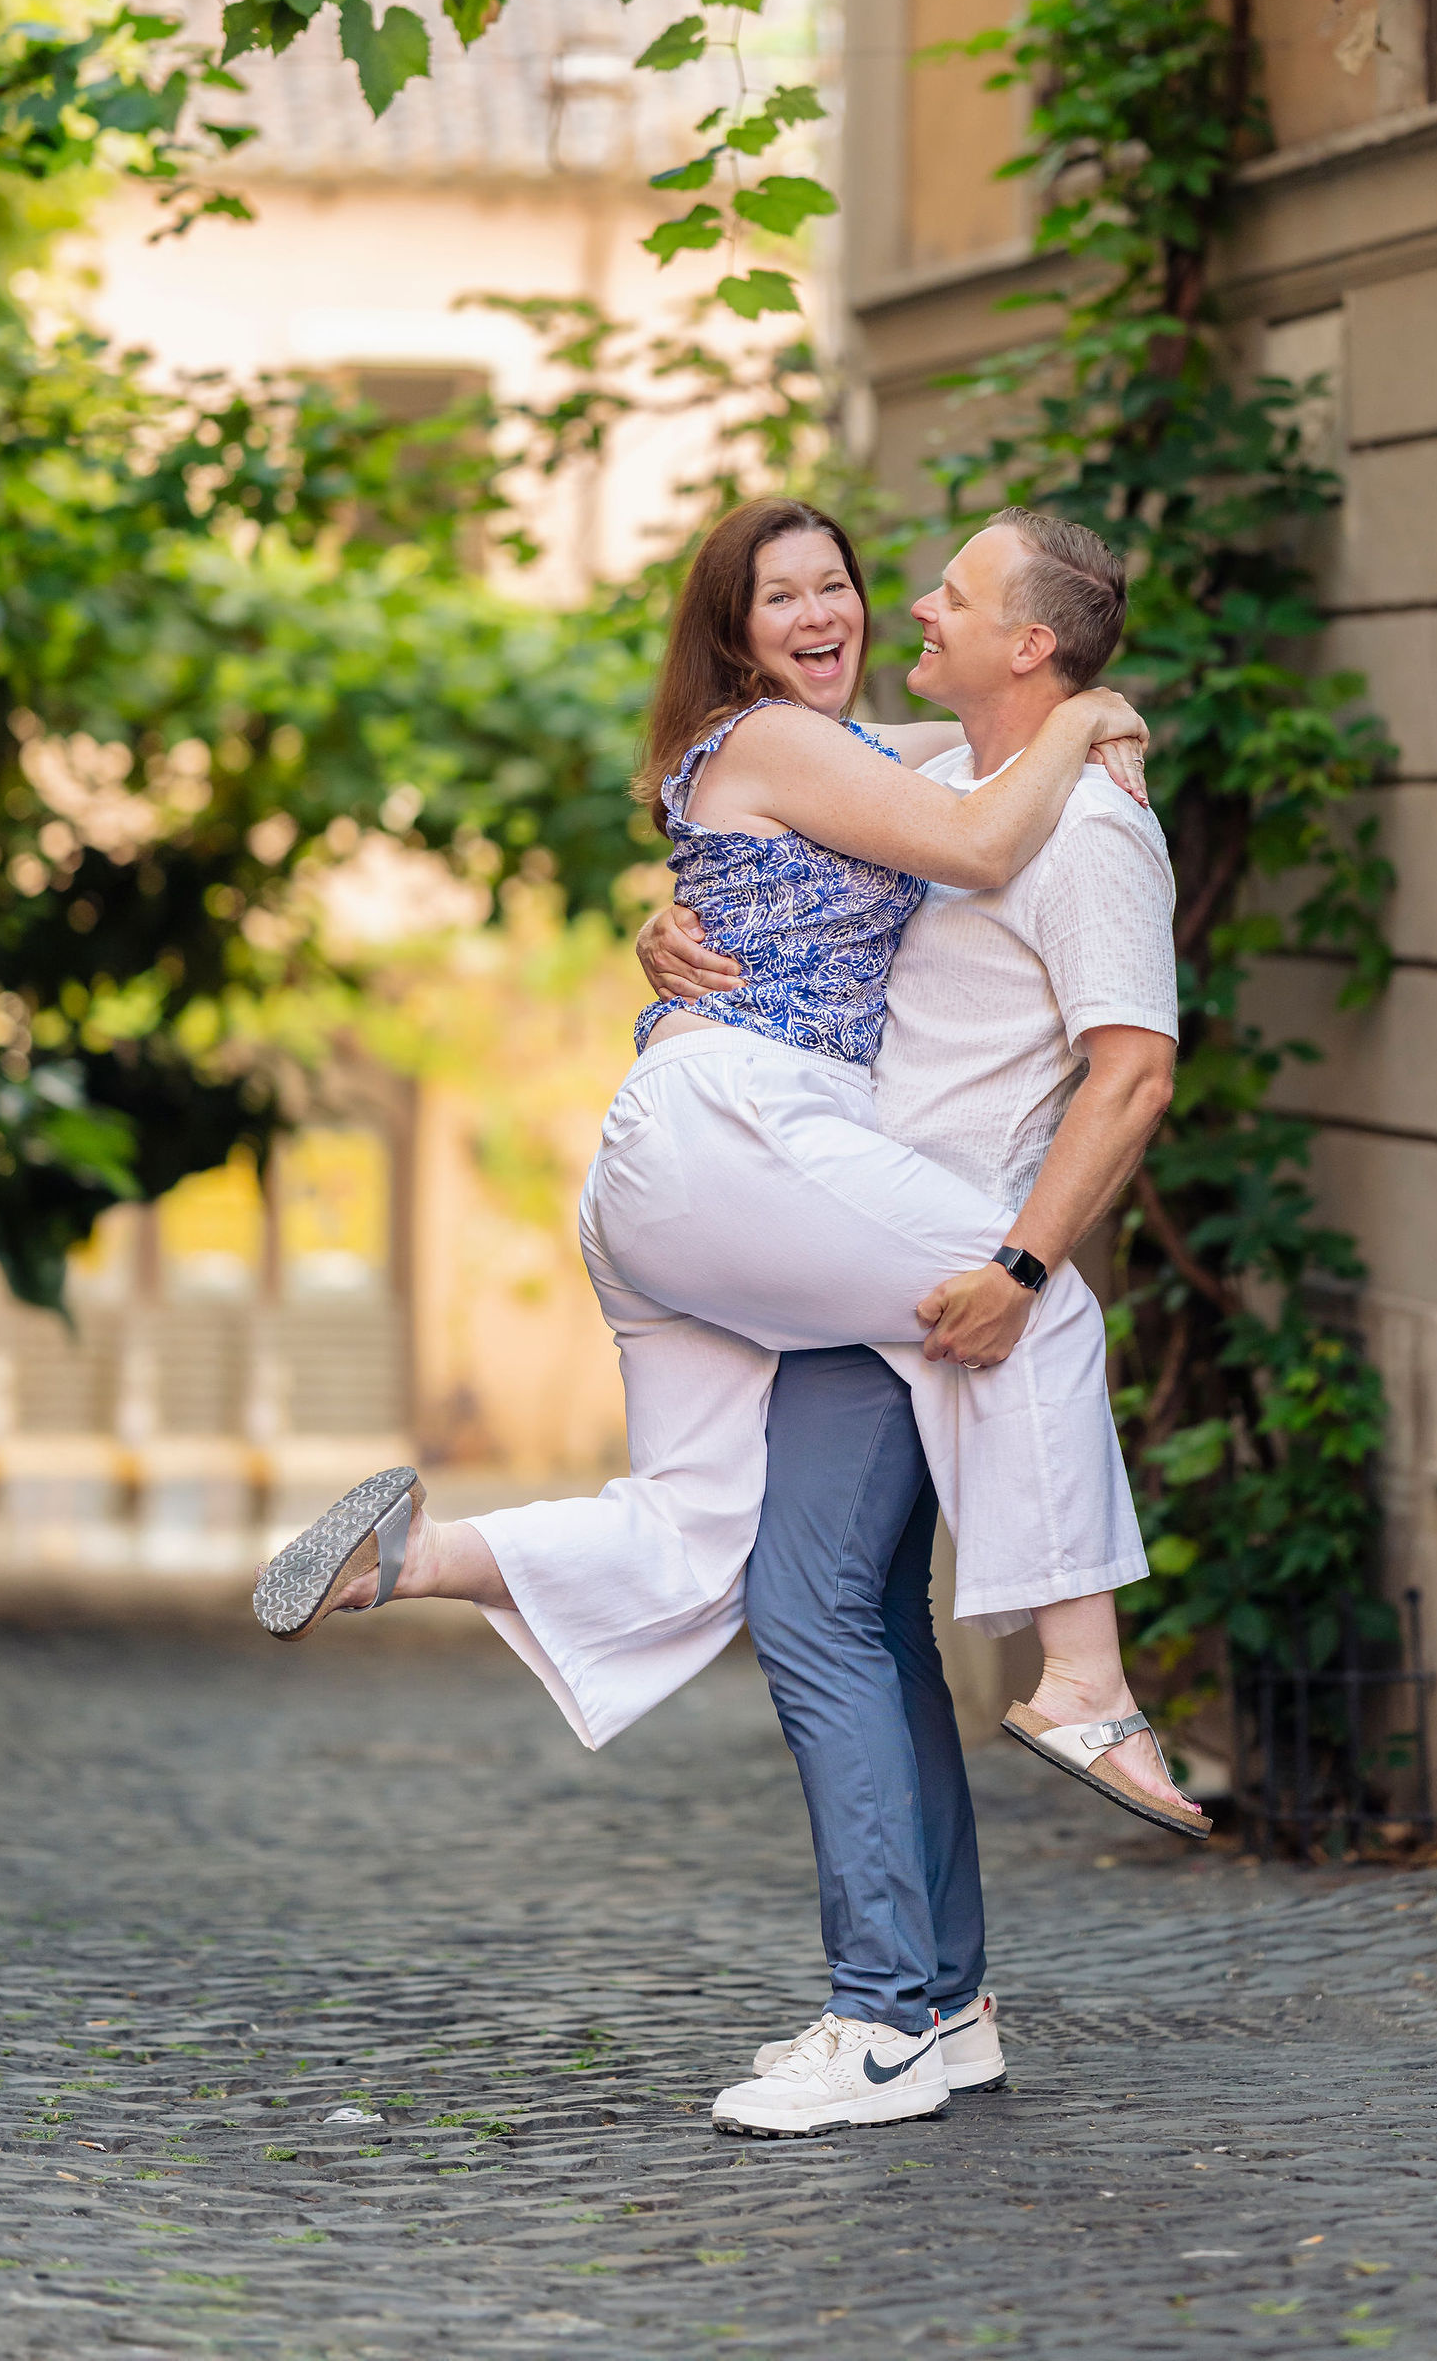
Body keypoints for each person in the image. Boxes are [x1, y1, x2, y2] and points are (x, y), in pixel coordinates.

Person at [252, 506, 1184, 1928]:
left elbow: (973, 771)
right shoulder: (773, 737)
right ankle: (1084, 1686)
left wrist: (1072, 728)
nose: (839, 612)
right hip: (738, 1137)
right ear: (733, 634)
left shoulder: (865, 755)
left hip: (699, 1173)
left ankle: (417, 1560)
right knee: (1039, 1302)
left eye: (844, 587)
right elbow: (985, 833)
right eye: (780, 596)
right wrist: (1096, 713)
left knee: (701, 1528)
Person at [638, 506, 1204, 2138]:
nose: (907, 609)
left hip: (925, 1273)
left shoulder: (1087, 831)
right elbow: (785, 814)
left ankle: (881, 2019)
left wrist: (1020, 1268)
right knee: (860, 1624)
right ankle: (943, 2009)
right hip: (846, 1233)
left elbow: (1135, 1071)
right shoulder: (956, 778)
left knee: (813, 1610)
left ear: (1029, 643)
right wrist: (668, 928)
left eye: (945, 593)